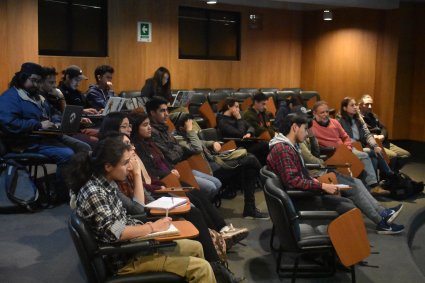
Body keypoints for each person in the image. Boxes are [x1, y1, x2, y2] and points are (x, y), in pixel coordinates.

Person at [64, 136, 216, 282]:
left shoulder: (107, 182)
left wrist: (152, 229)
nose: (129, 168)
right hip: (125, 259)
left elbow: (122, 221)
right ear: (108, 166)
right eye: (124, 163)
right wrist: (152, 227)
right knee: (202, 269)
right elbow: (116, 232)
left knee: (196, 246)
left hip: (132, 248)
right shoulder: (94, 193)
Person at [267, 113, 404, 234]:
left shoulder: (287, 146)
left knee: (351, 191)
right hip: (300, 198)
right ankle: (346, 242)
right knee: (347, 205)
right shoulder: (283, 149)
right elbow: (292, 181)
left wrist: (314, 181)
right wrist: (322, 186)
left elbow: (296, 176)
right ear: (295, 127)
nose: (306, 132)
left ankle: (380, 219)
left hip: (304, 192)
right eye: (304, 128)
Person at [128, 112, 249, 241]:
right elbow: (151, 172)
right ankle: (216, 235)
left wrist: (171, 169)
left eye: (149, 124)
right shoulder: (137, 148)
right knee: (194, 202)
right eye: (145, 125)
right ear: (136, 128)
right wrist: (168, 172)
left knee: (199, 194)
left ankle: (222, 229)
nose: (149, 127)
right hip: (162, 182)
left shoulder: (150, 142)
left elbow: (167, 159)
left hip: (171, 176)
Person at [0, 62, 89, 202]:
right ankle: (60, 194)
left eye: (38, 81)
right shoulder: (10, 97)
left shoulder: (38, 97)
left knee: (84, 148)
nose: (36, 85)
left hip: (46, 137)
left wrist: (57, 121)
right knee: (67, 154)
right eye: (33, 80)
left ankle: (78, 189)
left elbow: (52, 112)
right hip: (26, 142)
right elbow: (9, 123)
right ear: (22, 78)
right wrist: (38, 124)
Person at [171, 112, 269, 220]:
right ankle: (268, 184)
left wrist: (212, 143)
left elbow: (201, 142)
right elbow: (197, 148)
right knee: (250, 159)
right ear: (181, 127)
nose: (192, 125)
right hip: (207, 170)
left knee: (249, 161)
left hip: (212, 162)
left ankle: (251, 207)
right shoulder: (178, 139)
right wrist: (190, 131)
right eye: (189, 123)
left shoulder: (186, 134)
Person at [146, 97, 222, 200]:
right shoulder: (152, 133)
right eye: (162, 111)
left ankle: (202, 204)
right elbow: (172, 156)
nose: (166, 114)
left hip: (182, 166)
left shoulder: (164, 128)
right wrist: (180, 149)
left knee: (217, 183)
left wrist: (178, 149)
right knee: (211, 187)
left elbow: (176, 148)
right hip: (173, 171)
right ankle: (198, 205)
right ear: (152, 113)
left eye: (167, 110)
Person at [311, 101, 388, 196]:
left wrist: (348, 147)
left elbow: (345, 137)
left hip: (346, 149)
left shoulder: (334, 122)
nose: (326, 114)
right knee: (364, 155)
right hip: (332, 154)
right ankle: (373, 186)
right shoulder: (311, 127)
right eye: (322, 112)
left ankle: (373, 186)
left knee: (371, 155)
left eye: (327, 112)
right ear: (314, 113)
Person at [338, 97, 394, 180]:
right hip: (350, 147)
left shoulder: (359, 119)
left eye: (355, 105)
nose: (355, 107)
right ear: (345, 108)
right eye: (352, 105)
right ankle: (389, 175)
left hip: (360, 146)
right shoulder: (340, 121)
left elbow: (367, 134)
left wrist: (375, 146)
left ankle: (378, 183)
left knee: (376, 154)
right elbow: (343, 139)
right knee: (372, 152)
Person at [359, 94, 411, 170]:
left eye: (371, 104)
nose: (370, 107)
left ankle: (392, 173)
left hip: (384, 141)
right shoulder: (358, 118)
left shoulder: (373, 115)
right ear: (360, 105)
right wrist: (375, 136)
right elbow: (363, 134)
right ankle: (389, 175)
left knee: (406, 155)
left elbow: (384, 128)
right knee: (393, 156)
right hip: (373, 143)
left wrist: (382, 135)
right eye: (367, 104)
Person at [217, 98, 270, 165]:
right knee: (265, 145)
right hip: (237, 148)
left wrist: (249, 133)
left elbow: (251, 127)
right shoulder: (223, 122)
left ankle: (265, 168)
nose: (238, 110)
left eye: (238, 107)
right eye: (236, 107)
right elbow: (240, 134)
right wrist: (239, 119)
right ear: (229, 106)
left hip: (246, 143)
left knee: (266, 145)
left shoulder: (235, 117)